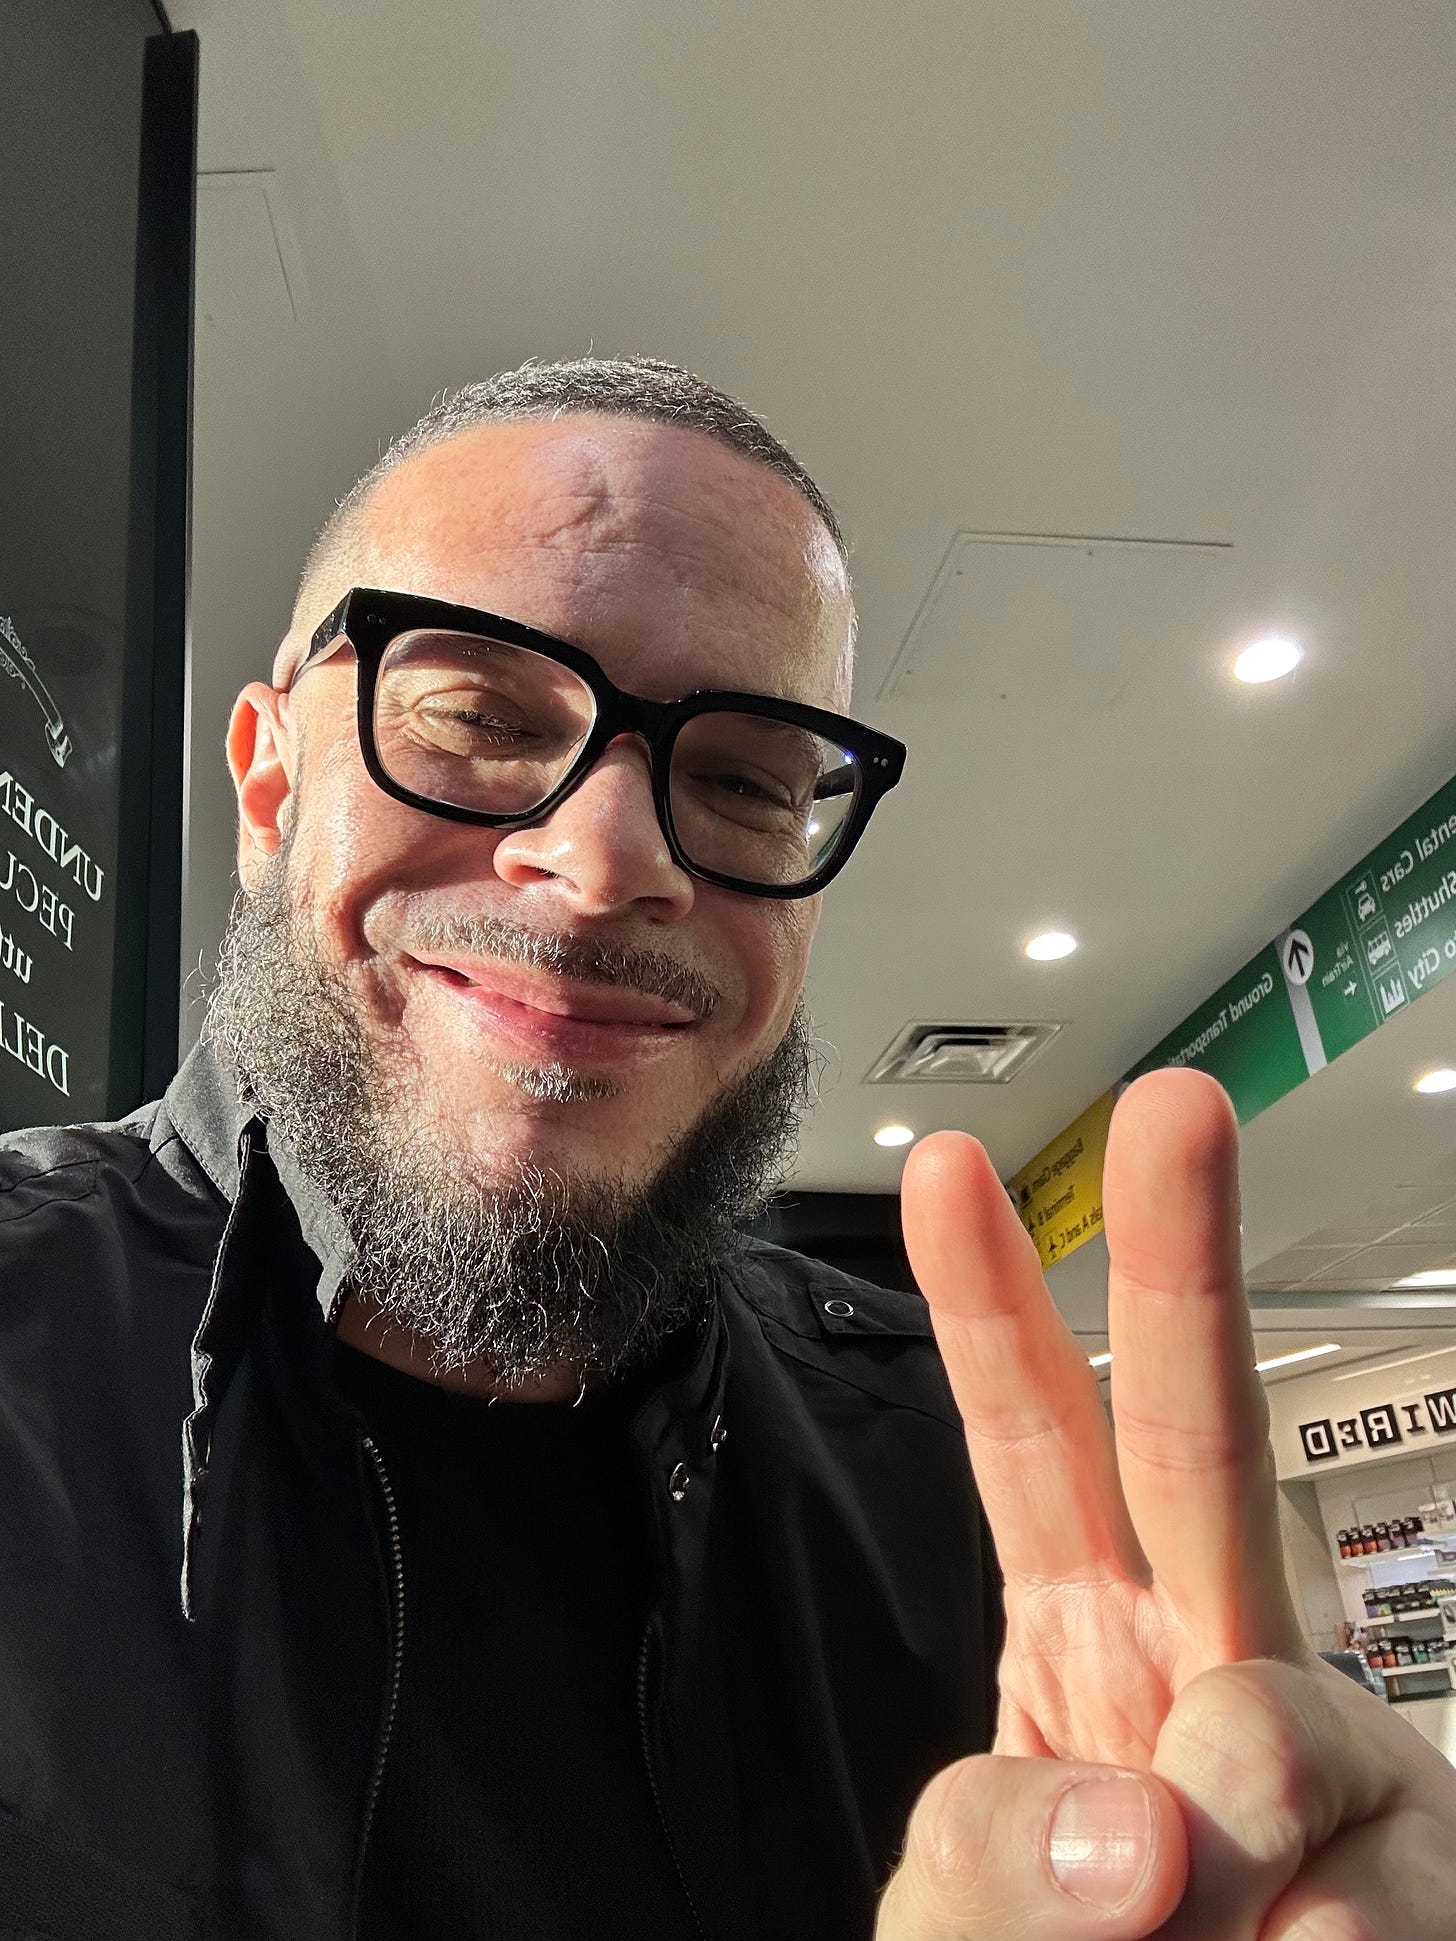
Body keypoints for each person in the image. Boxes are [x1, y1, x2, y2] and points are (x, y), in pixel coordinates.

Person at [0, 357, 1452, 1941]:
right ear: (270, 779)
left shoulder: (965, 1486)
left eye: (747, 778)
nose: (607, 859)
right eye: (478, 714)